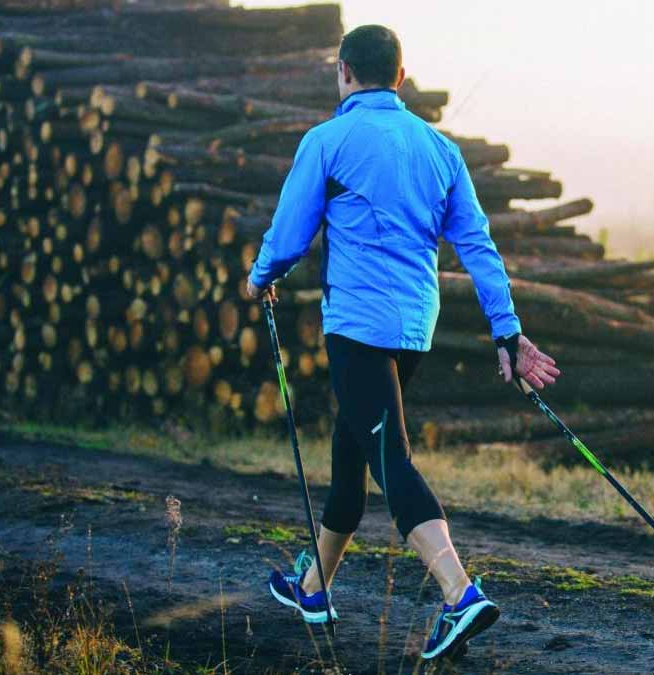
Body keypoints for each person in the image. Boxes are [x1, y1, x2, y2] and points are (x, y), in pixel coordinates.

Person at [244, 24, 561, 661]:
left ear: (343, 73)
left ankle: (458, 594)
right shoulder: (440, 150)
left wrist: (260, 280)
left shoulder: (327, 141)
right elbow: (477, 246)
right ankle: (313, 588)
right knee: (353, 453)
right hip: (415, 329)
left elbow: (289, 236)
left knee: (390, 461)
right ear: (401, 77)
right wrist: (506, 330)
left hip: (357, 329)